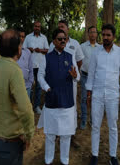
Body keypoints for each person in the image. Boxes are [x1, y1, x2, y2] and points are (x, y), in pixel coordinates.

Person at [0, 29, 35, 165]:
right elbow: (26, 109)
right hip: (10, 144)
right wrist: (29, 134)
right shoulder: (14, 70)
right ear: (18, 48)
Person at [86, 23, 120, 165]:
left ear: (113, 37)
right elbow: (91, 74)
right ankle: (94, 155)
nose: (105, 37)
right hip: (97, 94)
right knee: (96, 126)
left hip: (112, 95)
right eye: (103, 35)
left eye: (108, 35)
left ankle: (113, 156)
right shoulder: (96, 52)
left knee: (113, 126)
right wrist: (89, 94)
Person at [38, 29, 80, 165]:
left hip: (67, 100)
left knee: (66, 134)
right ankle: (48, 160)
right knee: (50, 134)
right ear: (53, 41)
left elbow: (77, 76)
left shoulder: (70, 56)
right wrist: (46, 87)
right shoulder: (47, 57)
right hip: (52, 99)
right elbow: (40, 75)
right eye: (59, 39)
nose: (63, 41)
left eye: (64, 38)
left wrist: (75, 76)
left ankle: (64, 160)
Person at [49, 20, 84, 148]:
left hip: (70, 84)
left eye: (63, 27)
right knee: (58, 107)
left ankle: (71, 135)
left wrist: (74, 74)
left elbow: (79, 61)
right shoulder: (52, 44)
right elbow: (50, 62)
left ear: (68, 29)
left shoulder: (75, 44)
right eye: (59, 27)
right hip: (57, 85)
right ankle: (58, 135)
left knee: (71, 108)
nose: (61, 29)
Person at [23, 21, 49, 114]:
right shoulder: (28, 37)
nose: (37, 28)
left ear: (40, 28)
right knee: (29, 86)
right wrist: (28, 49)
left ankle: (36, 106)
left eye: (39, 26)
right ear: (33, 27)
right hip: (30, 66)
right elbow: (23, 49)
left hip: (40, 66)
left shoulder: (44, 38)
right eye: (36, 26)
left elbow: (47, 50)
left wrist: (40, 50)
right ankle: (28, 106)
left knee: (38, 87)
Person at [80, 26, 100, 129]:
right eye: (91, 32)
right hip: (84, 75)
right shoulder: (82, 46)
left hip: (96, 77)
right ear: (88, 34)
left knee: (94, 99)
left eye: (94, 32)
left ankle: (93, 120)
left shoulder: (100, 48)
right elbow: (79, 60)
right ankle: (84, 119)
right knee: (84, 98)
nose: (92, 34)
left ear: (97, 34)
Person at [17, 28, 34, 98]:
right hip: (14, 86)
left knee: (26, 108)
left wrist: (30, 82)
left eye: (23, 37)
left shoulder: (27, 52)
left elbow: (30, 68)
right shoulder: (10, 51)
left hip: (27, 86)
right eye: (19, 36)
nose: (21, 38)